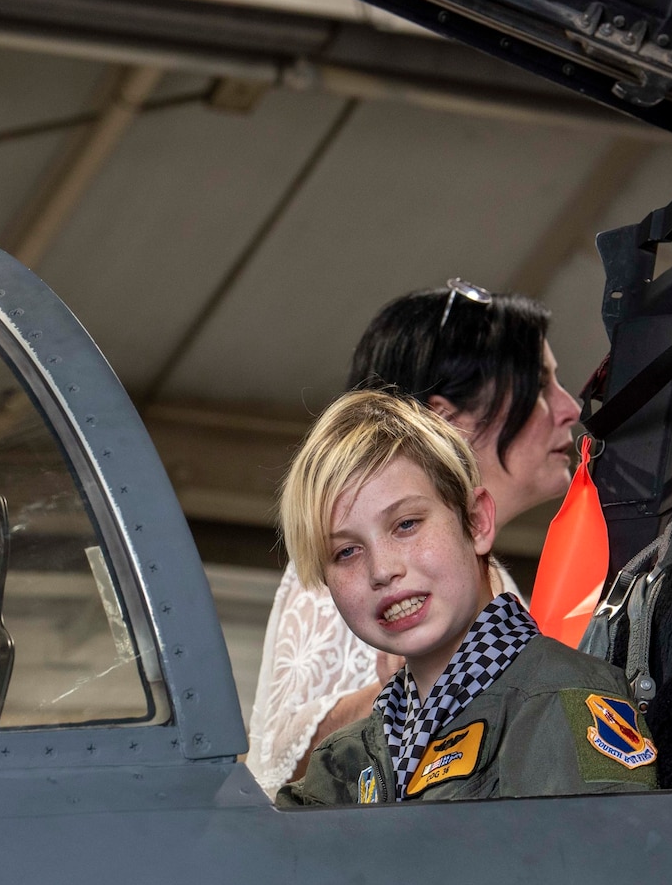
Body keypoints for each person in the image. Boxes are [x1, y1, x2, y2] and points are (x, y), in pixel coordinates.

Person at [246, 280, 583, 796]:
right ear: (446, 421)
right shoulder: (349, 561)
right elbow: (275, 760)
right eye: (538, 386)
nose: (570, 407)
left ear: (478, 520)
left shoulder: (527, 630)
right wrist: (408, 690)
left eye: (407, 525)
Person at [272, 391, 655, 806]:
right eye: (346, 551)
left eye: (406, 524)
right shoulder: (343, 762)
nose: (381, 570)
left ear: (476, 522)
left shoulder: (567, 706)